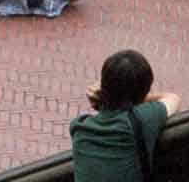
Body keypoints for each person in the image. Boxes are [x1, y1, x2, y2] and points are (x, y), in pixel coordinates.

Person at [70, 50, 179, 182]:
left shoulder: (79, 128)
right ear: (143, 94)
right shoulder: (142, 119)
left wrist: (104, 97)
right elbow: (173, 98)